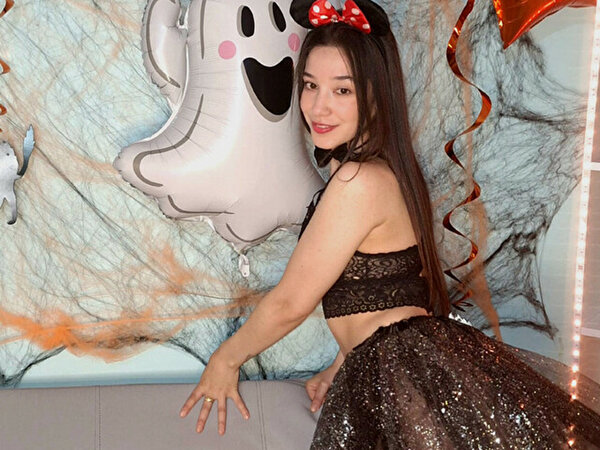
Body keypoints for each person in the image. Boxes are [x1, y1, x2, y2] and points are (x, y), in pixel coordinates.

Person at [179, 0, 600, 447]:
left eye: (342, 90)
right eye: (310, 85)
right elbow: (389, 290)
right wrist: (342, 362)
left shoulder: (359, 180)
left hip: (405, 375)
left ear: (377, 97)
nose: (318, 106)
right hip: (399, 369)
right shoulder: (380, 170)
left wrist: (225, 360)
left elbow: (291, 302)